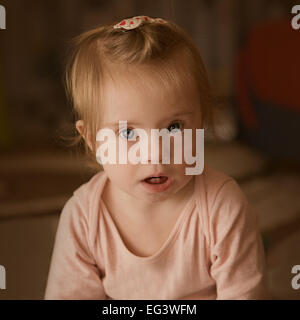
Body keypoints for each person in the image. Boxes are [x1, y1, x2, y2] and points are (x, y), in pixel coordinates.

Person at [44, 15, 270, 300]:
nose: (155, 153)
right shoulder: (82, 219)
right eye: (128, 133)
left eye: (174, 127)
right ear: (93, 141)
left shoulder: (222, 207)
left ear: (201, 125)